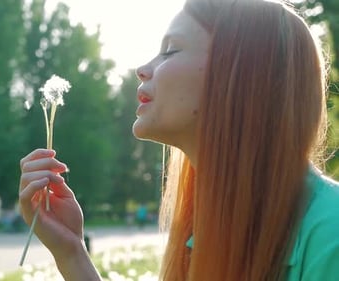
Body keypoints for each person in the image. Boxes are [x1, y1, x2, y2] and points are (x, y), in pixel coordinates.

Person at [18, 0, 339, 280]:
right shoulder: (207, 230)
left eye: (170, 50)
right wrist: (71, 252)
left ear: (240, 73)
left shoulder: (330, 234)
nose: (143, 69)